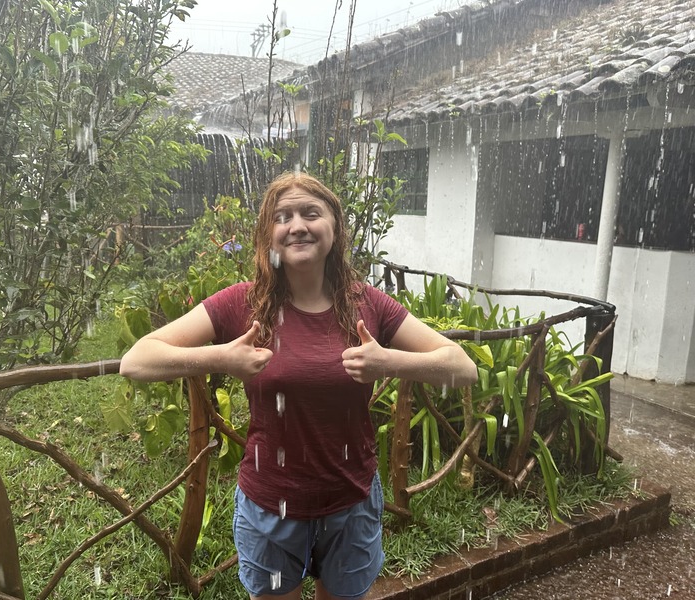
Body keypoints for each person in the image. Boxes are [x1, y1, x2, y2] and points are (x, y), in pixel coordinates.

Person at [120, 171, 478, 600]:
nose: (297, 225)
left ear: (334, 228)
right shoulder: (242, 302)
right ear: (268, 235)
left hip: (352, 502)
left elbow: (461, 367)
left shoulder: (367, 302)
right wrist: (222, 357)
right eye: (282, 216)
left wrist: (389, 362)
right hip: (272, 506)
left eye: (311, 213)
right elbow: (137, 360)